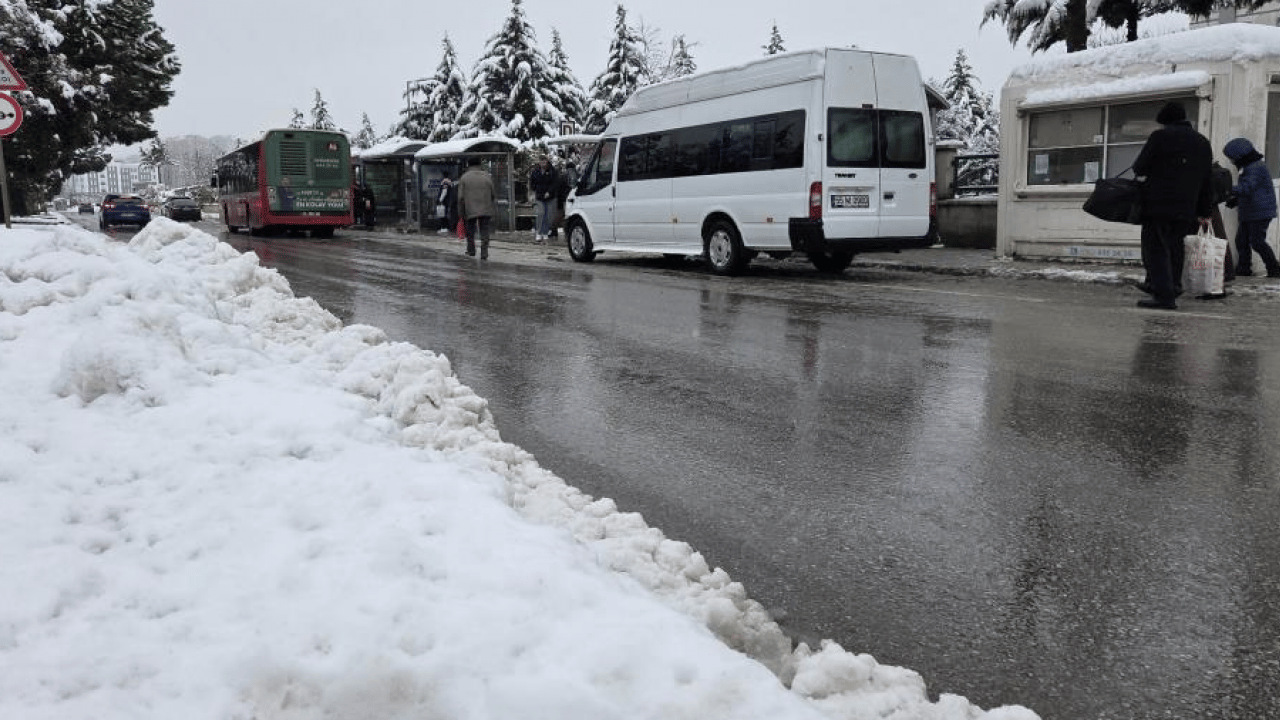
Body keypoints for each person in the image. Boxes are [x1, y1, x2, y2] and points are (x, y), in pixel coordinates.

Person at [1131, 101, 1214, 310]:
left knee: (1156, 249)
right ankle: (1172, 287)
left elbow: (1139, 168)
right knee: (1176, 248)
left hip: (1158, 205)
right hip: (1187, 207)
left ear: (1165, 121)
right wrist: (1205, 211)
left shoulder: (1160, 137)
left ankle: (1163, 296)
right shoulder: (1202, 142)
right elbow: (1207, 179)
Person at [1222, 136, 1280, 278]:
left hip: (1260, 212)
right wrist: (1236, 200)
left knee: (1257, 242)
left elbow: (1247, 187)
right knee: (1241, 241)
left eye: (1232, 158)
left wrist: (1226, 188)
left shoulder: (1255, 167)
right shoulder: (1249, 166)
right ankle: (1243, 269)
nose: (1231, 161)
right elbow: (1250, 190)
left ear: (1240, 156)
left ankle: (1275, 269)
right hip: (1251, 211)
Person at [456, 157, 497, 260]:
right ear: (480, 165)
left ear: (468, 165)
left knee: (470, 231)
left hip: (470, 209)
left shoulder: (464, 177)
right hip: (486, 208)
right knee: (484, 231)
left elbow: (460, 197)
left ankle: (471, 250)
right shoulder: (487, 176)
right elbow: (493, 193)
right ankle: (484, 252)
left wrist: (460, 212)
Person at [529, 155, 558, 242]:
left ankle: (545, 232)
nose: (542, 163)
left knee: (548, 215)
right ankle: (538, 232)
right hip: (540, 196)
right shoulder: (535, 171)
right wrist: (535, 191)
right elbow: (532, 182)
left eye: (544, 161)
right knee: (541, 213)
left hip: (550, 196)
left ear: (547, 161)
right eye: (541, 161)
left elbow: (555, 183)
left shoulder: (552, 171)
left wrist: (549, 192)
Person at [549, 160, 576, 241]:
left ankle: (557, 231)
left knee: (563, 216)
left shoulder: (563, 176)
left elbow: (559, 189)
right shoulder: (577, 175)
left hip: (564, 199)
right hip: (575, 199)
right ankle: (569, 233)